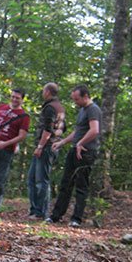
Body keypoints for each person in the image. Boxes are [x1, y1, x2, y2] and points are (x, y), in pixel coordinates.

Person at [46, 85, 101, 227]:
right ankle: (56, 216)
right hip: (75, 149)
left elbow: (94, 130)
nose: (75, 102)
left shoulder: (93, 109)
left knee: (81, 186)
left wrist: (81, 143)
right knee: (66, 183)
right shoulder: (82, 110)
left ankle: (76, 219)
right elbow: (78, 131)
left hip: (86, 152)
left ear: (85, 96)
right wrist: (62, 142)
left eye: (77, 99)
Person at [27, 83, 67, 219]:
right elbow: (63, 127)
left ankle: (40, 212)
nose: (42, 93)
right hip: (49, 146)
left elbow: (48, 129)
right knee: (32, 179)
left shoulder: (50, 108)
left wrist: (40, 146)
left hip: (46, 147)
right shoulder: (60, 107)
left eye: (44, 91)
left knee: (41, 181)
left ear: (48, 92)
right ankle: (34, 210)